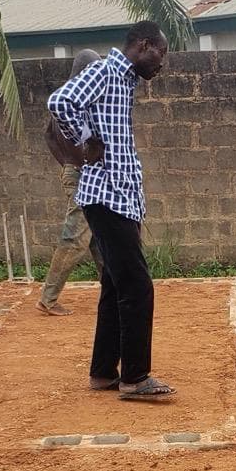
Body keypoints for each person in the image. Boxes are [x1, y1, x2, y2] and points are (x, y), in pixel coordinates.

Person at [46, 21, 174, 400]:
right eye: (160, 54)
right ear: (144, 45)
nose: (162, 63)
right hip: (105, 197)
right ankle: (135, 378)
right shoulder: (105, 71)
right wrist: (86, 141)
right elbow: (60, 102)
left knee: (115, 285)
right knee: (137, 285)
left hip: (119, 198)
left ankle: (103, 372)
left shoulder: (125, 81)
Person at [37, 48, 104, 316]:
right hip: (83, 175)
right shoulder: (77, 101)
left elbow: (48, 136)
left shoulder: (64, 99)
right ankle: (48, 298)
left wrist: (65, 164)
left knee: (98, 237)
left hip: (74, 171)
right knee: (74, 237)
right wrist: (79, 164)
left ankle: (115, 289)